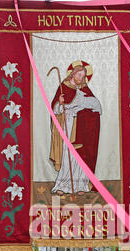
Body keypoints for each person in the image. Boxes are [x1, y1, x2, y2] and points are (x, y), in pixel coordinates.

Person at [49, 62, 101, 195]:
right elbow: (55, 109)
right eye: (79, 74)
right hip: (68, 125)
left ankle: (80, 186)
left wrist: (88, 108)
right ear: (73, 73)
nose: (81, 78)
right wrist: (60, 104)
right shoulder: (63, 88)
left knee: (80, 155)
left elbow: (96, 106)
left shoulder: (84, 89)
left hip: (82, 128)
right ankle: (63, 185)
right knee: (68, 154)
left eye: (83, 76)